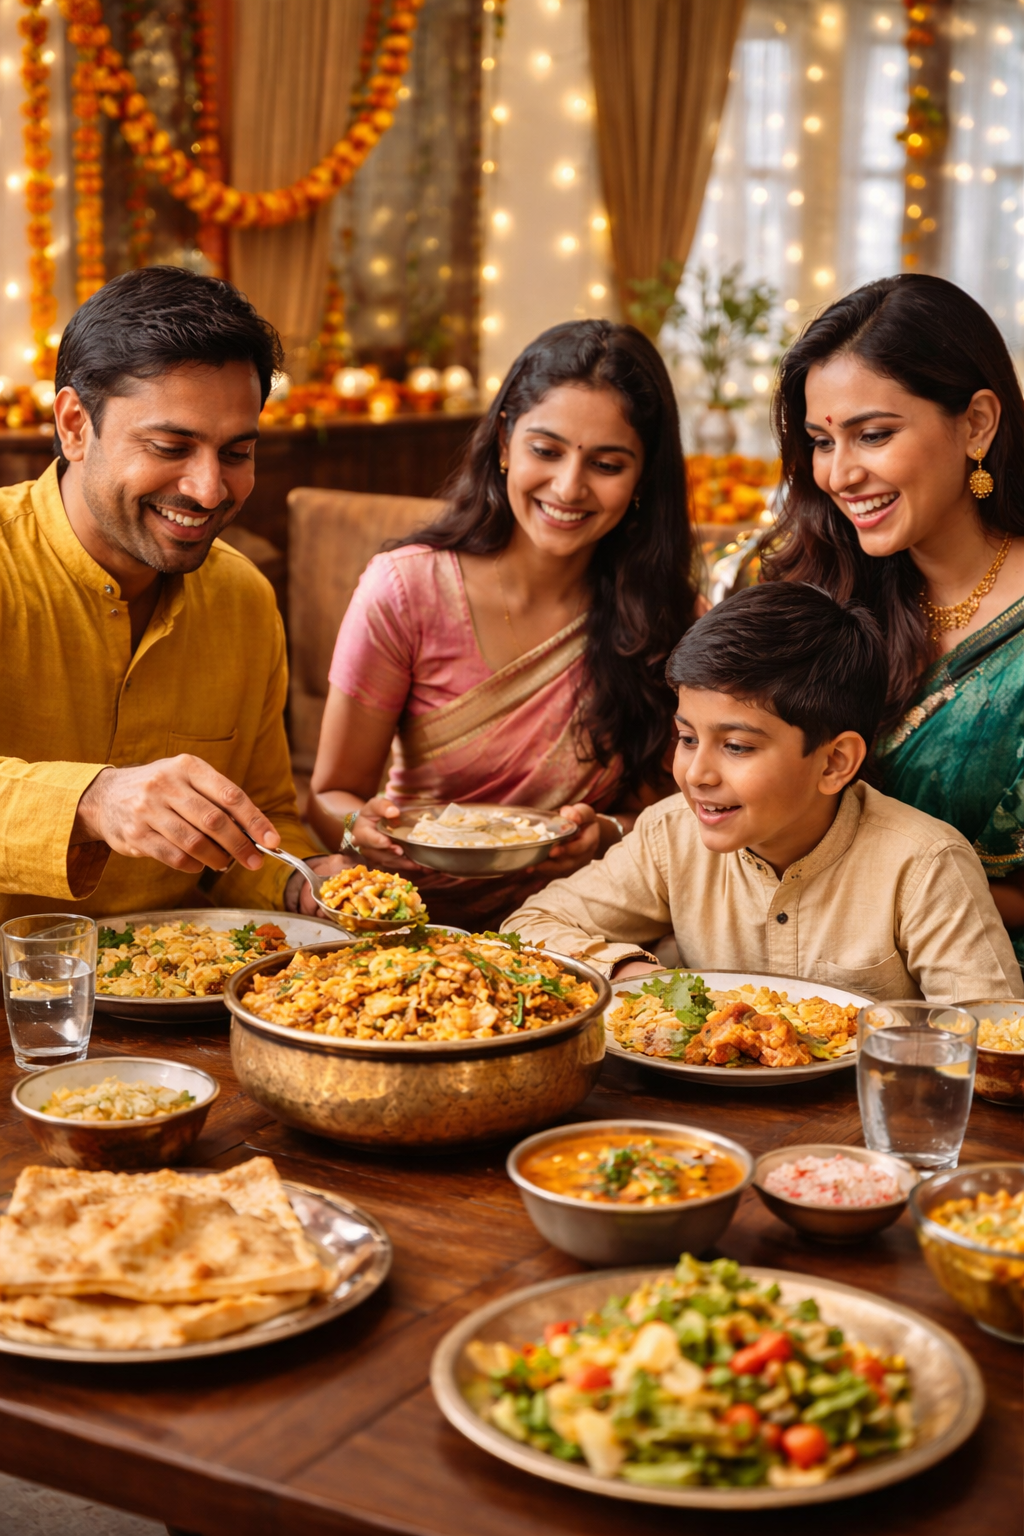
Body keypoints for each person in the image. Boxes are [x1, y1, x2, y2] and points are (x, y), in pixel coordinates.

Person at [307, 320, 702, 927]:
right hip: (411, 932)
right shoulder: (405, 589)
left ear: (643, 475)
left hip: (585, 928)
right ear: (503, 443)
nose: (568, 487)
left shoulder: (671, 619)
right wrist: (365, 828)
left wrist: (605, 833)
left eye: (606, 463)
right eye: (545, 451)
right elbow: (330, 796)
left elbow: (676, 817)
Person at [0, 266, 343, 921]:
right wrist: (92, 801)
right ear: (75, 425)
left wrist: (303, 884)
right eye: (170, 446)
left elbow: (259, 824)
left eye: (237, 453)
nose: (209, 490)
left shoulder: (242, 596)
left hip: (188, 1009)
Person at [502, 584, 1023, 1001]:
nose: (697, 774)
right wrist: (633, 973)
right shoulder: (669, 836)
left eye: (736, 746)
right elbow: (528, 927)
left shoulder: (925, 865)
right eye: (687, 739)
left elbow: (994, 1042)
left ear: (834, 762)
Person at [762, 273, 1024, 961]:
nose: (839, 475)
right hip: (793, 975)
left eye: (872, 435)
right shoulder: (823, 582)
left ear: (976, 424)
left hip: (989, 1005)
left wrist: (877, 879)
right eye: (822, 441)